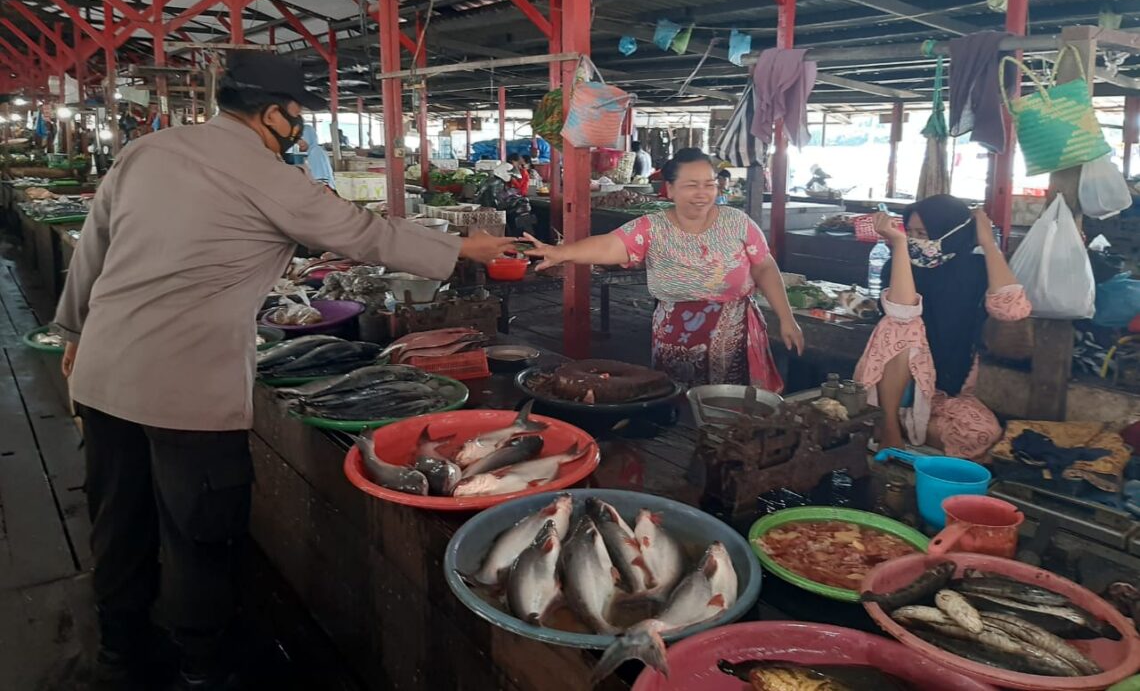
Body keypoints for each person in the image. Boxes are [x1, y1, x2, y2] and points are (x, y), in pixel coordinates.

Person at [55, 51, 515, 691]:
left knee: (119, 524)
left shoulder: (147, 152)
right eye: (296, 117)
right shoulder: (269, 175)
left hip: (104, 375)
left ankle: (118, 657)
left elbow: (93, 247)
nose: (299, 129)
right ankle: (203, 666)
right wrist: (468, 246)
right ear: (272, 114)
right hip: (189, 391)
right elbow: (365, 235)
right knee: (199, 538)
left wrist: (74, 331)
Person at [524, 148, 804, 389]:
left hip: (736, 336)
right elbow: (610, 245)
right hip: (674, 338)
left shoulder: (738, 222)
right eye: (691, 185)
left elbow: (764, 267)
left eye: (709, 184)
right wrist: (559, 253)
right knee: (676, 411)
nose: (702, 193)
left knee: (733, 411)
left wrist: (786, 318)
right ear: (669, 189)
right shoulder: (652, 227)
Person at [854, 195, 1031, 460]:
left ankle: (902, 426)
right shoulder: (898, 263)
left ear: (951, 232)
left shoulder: (976, 269)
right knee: (904, 326)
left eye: (924, 233)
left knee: (983, 435)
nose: (916, 240)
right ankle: (890, 424)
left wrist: (987, 242)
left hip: (942, 390)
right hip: (896, 384)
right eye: (911, 232)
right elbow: (902, 311)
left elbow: (1013, 309)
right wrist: (899, 244)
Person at [298, 123, 336, 190]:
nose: (299, 143)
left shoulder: (315, 152)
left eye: (302, 139)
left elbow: (321, 180)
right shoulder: (316, 150)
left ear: (309, 137)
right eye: (297, 140)